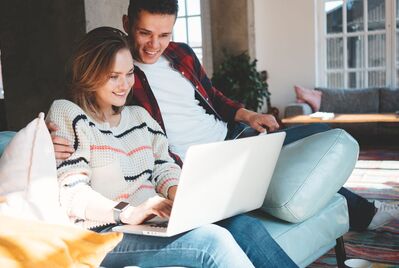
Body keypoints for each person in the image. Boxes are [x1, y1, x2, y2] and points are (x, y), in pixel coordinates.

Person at [49, 0, 398, 233]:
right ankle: (366, 215)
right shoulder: (120, 74)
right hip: (197, 162)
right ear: (127, 24)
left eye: (165, 34)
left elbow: (212, 96)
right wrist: (47, 135)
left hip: (232, 136)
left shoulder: (181, 55)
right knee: (287, 163)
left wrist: (246, 113)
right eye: (145, 33)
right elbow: (83, 101)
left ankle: (360, 211)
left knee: (314, 143)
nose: (155, 45)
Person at [47, 26, 298, 268]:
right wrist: (128, 213)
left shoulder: (139, 117)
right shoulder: (68, 113)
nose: (125, 85)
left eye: (129, 73)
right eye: (113, 77)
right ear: (89, 74)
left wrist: (183, 199)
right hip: (104, 232)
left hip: (151, 221)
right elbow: (72, 194)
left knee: (245, 225)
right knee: (211, 242)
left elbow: (164, 167)